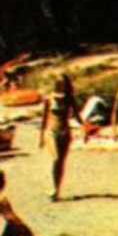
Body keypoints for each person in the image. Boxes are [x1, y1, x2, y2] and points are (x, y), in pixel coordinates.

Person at [38, 72, 82, 201]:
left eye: (64, 84)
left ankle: (56, 189)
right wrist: (41, 137)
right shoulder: (49, 98)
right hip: (51, 132)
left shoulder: (69, 98)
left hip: (65, 132)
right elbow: (44, 118)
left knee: (61, 163)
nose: (62, 85)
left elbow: (76, 115)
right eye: (60, 83)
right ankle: (53, 187)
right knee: (56, 159)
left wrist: (84, 126)